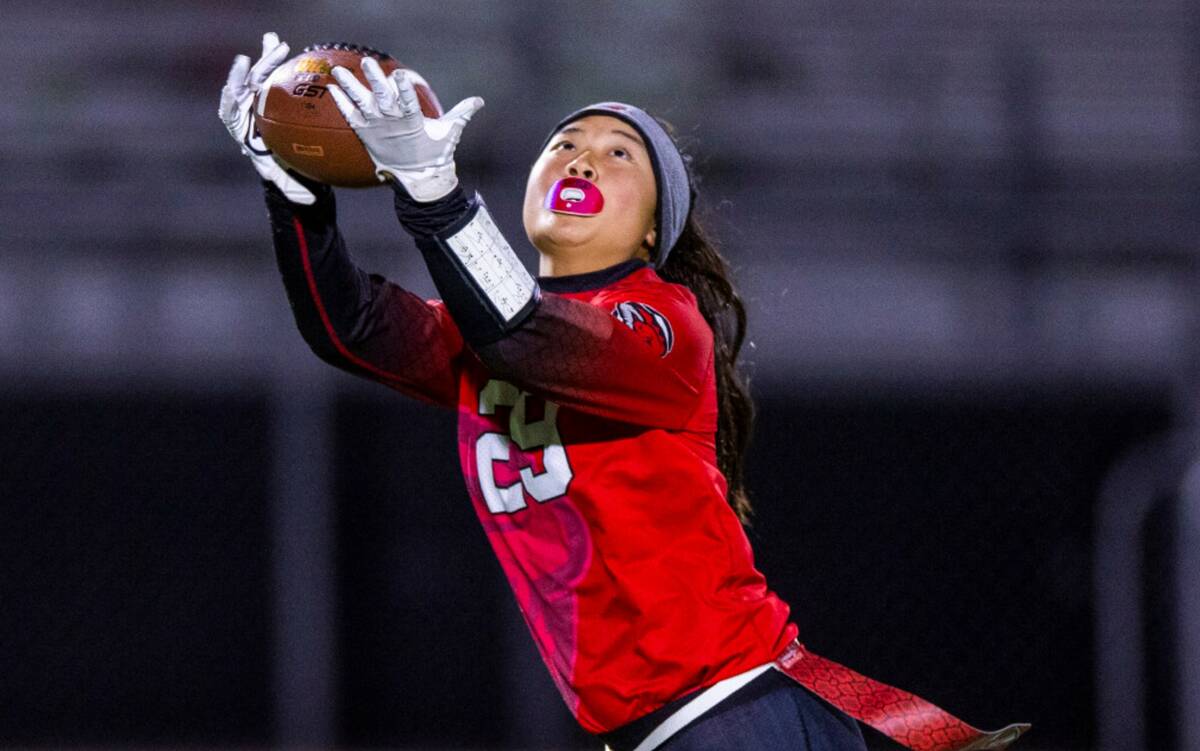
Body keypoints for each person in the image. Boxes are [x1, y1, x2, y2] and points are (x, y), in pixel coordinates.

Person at [220, 33, 1028, 751]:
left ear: (652, 228)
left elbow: (527, 338)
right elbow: (352, 325)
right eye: (566, 143)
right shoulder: (487, 334)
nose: (582, 158)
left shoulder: (662, 325)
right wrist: (294, 195)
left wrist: (437, 199)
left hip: (733, 709)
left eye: (618, 155)